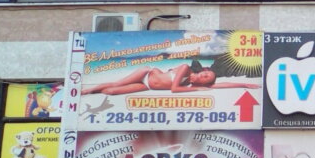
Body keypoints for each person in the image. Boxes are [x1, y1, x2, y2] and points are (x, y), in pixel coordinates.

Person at [82, 59, 257, 96]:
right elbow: (174, 89)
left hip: (148, 86)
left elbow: (223, 84)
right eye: (205, 72)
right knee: (117, 83)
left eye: (207, 77)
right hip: (147, 73)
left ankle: (94, 92)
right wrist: (197, 88)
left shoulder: (193, 85)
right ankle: (87, 90)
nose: (204, 74)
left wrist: (243, 84)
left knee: (112, 92)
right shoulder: (185, 68)